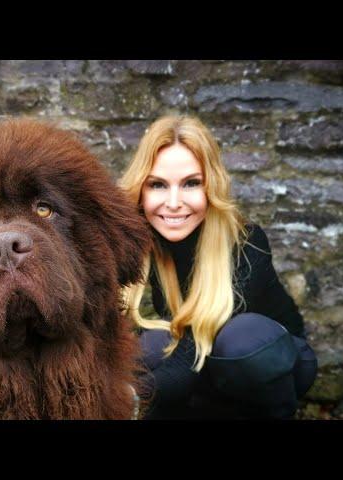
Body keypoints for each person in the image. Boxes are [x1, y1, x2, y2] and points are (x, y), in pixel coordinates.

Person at [119, 115, 318, 419]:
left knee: (241, 338)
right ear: (142, 191)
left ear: (211, 185)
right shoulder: (138, 243)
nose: (174, 202)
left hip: (268, 361)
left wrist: (129, 396)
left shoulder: (246, 243)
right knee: (150, 346)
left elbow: (192, 352)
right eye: (158, 184)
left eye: (191, 183)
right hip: (201, 366)